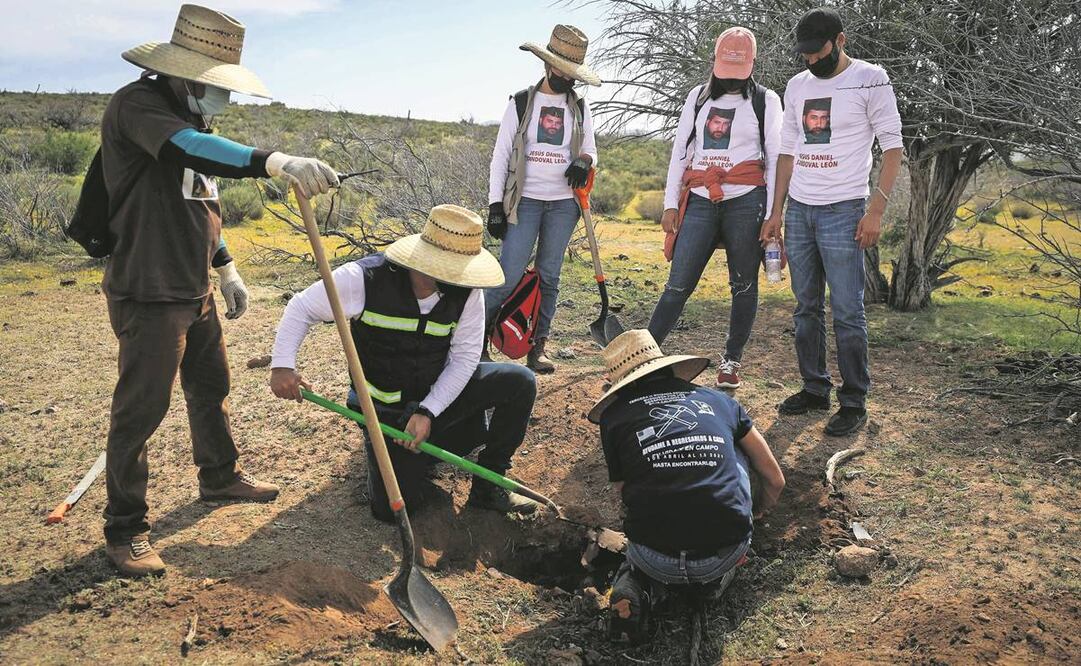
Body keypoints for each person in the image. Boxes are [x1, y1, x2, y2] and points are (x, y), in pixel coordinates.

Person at [100, 4, 338, 577]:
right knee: (142, 408)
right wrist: (273, 161)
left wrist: (226, 264)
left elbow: (201, 200)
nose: (219, 98)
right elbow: (188, 152)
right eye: (212, 85)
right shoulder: (140, 108)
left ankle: (219, 476)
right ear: (183, 73)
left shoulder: (192, 118)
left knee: (211, 386)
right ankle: (125, 527)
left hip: (193, 283)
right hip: (150, 287)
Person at [270, 205, 540, 522]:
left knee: (519, 382)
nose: (460, 278)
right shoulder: (365, 279)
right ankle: (410, 455)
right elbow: (301, 307)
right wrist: (283, 366)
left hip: (435, 403)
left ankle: (488, 483)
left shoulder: (466, 294)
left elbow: (466, 358)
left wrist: (428, 411)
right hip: (384, 414)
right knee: (393, 510)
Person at [587, 330, 785, 644]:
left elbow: (625, 493)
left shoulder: (614, 418)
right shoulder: (720, 401)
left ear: (619, 383)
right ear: (666, 366)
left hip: (654, 555)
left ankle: (638, 584)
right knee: (735, 449)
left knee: (646, 530)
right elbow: (775, 479)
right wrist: (756, 512)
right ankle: (711, 584)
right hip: (724, 548)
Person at [760, 7, 903, 436]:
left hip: (845, 209)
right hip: (800, 209)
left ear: (840, 41)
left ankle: (854, 400)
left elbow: (893, 147)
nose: (810, 61)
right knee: (805, 308)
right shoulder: (797, 85)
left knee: (847, 310)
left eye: (817, 52)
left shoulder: (870, 77)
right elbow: (787, 151)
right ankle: (814, 388)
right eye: (803, 54)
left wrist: (875, 210)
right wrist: (776, 212)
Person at [647, 27, 782, 389]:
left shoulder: (766, 101)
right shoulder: (696, 98)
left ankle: (732, 361)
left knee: (743, 283)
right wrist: (670, 203)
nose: (731, 80)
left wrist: (772, 215)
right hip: (701, 201)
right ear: (714, 63)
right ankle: (644, 355)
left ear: (753, 65)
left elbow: (774, 160)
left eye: (738, 72)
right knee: (677, 284)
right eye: (725, 70)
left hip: (746, 201)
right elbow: (680, 152)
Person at [485, 24, 601, 373]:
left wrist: (583, 162)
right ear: (548, 65)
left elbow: (591, 150)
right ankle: (477, 344)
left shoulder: (579, 106)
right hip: (526, 201)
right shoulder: (521, 103)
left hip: (564, 204)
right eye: (564, 71)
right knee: (507, 275)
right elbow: (501, 157)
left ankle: (538, 347)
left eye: (573, 74)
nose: (569, 79)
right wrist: (494, 206)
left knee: (549, 275)